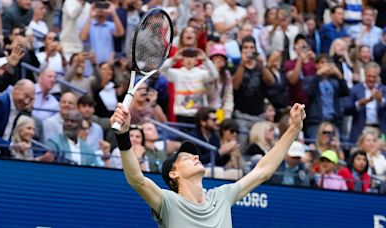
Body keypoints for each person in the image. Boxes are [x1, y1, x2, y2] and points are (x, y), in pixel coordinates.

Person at [110, 102, 305, 227]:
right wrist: (122, 136)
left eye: (195, 156)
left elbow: (263, 170)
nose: (196, 157)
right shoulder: (168, 203)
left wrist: (294, 128)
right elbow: (137, 180)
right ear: (173, 173)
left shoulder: (222, 196)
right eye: (186, 158)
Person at [0, 79, 35, 157]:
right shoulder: (0, 103)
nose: (27, 101)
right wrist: (11, 146)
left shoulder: (18, 108)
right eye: (26, 96)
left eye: (31, 99)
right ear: (16, 89)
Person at [344, 62, 386, 143]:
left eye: (374, 77)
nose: (371, 79)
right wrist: (360, 103)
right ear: (365, 74)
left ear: (378, 76)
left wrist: (381, 100)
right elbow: (346, 110)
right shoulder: (355, 89)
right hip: (361, 129)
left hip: (380, 130)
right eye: (369, 76)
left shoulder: (384, 90)